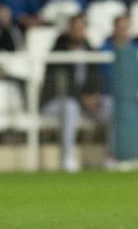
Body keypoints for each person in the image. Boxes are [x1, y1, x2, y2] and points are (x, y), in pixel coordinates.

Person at [41, 13, 107, 172]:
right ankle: (67, 158)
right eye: (75, 27)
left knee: (111, 106)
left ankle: (113, 157)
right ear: (69, 29)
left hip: (85, 103)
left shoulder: (91, 51)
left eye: (81, 27)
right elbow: (58, 85)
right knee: (70, 107)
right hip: (55, 102)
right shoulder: (57, 52)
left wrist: (95, 96)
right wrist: (82, 99)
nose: (78, 31)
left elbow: (96, 78)